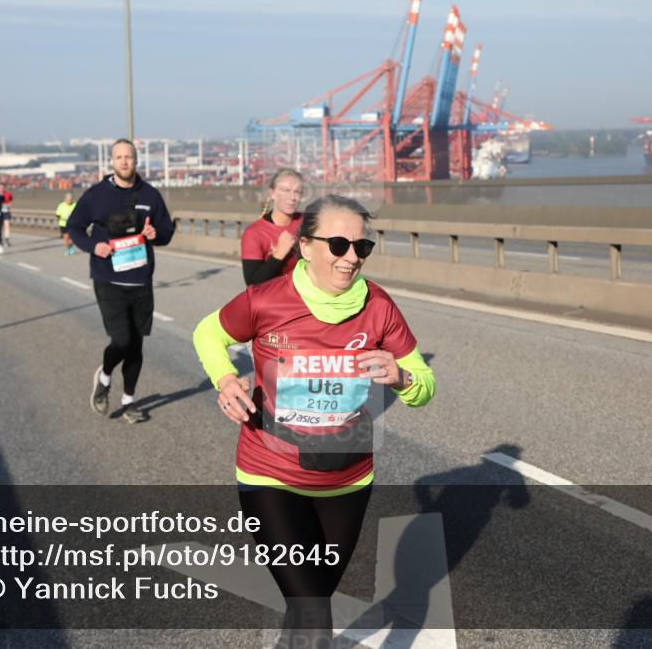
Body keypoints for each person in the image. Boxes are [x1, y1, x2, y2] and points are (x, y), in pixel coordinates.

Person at [193, 195, 435, 648]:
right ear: (305, 246)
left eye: (362, 248)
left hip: (347, 479)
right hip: (271, 476)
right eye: (339, 245)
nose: (350, 258)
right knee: (313, 609)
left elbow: (424, 384)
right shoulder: (266, 300)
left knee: (313, 598)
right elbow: (208, 333)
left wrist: (401, 377)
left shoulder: (379, 307)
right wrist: (226, 381)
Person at [66, 138, 174, 422]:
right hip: (108, 279)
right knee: (122, 339)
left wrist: (156, 236)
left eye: (129, 157)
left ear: (136, 160)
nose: (124, 162)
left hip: (141, 280)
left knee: (136, 346)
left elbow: (165, 231)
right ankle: (103, 376)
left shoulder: (150, 195)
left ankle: (129, 401)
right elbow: (74, 226)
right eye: (119, 157)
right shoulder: (96, 195)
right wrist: (94, 246)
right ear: (111, 162)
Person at [241, 168, 304, 286]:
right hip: (274, 300)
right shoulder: (254, 233)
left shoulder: (308, 222)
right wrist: (279, 254)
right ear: (272, 193)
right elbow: (253, 284)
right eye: (286, 190)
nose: (292, 197)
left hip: (307, 298)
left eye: (297, 191)